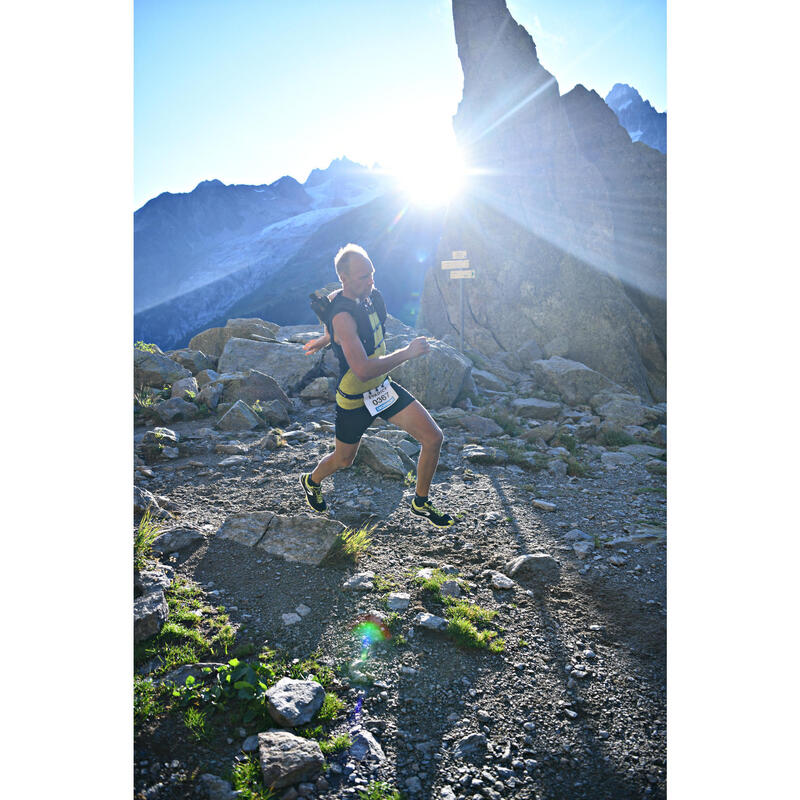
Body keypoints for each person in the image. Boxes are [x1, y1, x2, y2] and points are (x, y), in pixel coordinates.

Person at [300, 243, 455, 527]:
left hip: (381, 389)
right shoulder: (343, 317)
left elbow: (328, 304)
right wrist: (406, 353)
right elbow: (361, 370)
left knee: (433, 438)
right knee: (344, 460)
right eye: (363, 276)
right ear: (344, 278)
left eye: (372, 273)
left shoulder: (363, 296)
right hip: (355, 400)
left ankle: (420, 501)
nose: (371, 280)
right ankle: (311, 481)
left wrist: (326, 338)